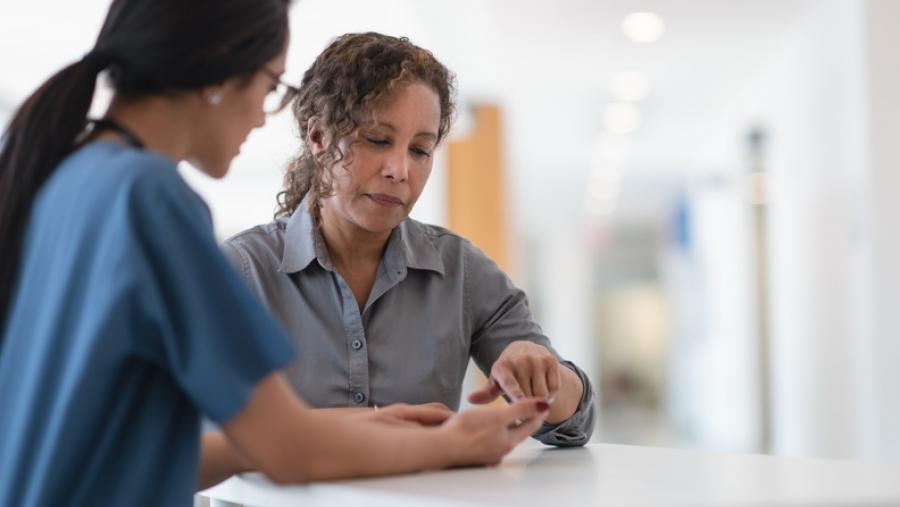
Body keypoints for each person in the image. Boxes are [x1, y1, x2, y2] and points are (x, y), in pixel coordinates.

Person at [0, 2, 550, 506]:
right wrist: (454, 443)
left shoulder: (72, 176)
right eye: (269, 87)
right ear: (217, 70)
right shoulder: (152, 199)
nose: (263, 117)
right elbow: (291, 454)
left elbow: (131, 449)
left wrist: (362, 428)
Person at [222, 32, 596, 446]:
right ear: (318, 138)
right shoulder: (240, 271)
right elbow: (205, 434)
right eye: (378, 140)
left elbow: (574, 425)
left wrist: (545, 378)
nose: (399, 170)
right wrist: (379, 428)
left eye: (420, 150)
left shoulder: (462, 271)